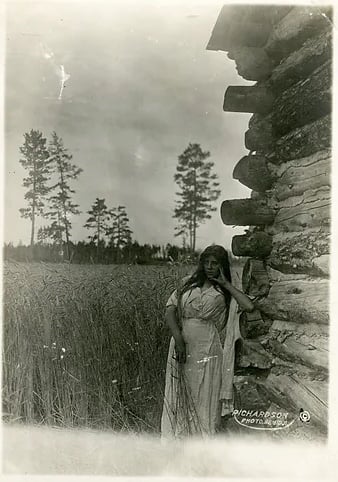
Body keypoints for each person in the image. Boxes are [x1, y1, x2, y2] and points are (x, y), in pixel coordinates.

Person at [161, 244, 254, 438]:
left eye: (215, 263)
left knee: (203, 394)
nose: (210, 267)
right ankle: (176, 439)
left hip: (209, 348)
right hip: (182, 343)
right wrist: (178, 338)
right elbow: (170, 309)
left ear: (222, 266)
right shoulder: (187, 283)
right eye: (207, 262)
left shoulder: (225, 292)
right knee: (179, 390)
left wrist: (226, 284)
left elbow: (249, 306)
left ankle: (200, 441)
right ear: (201, 263)